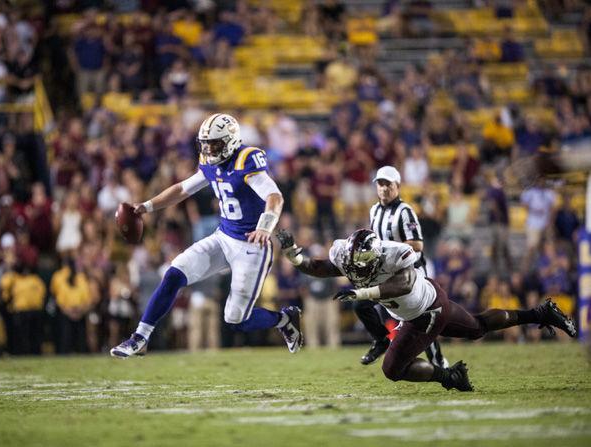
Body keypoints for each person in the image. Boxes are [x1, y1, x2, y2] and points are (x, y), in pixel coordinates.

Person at [277, 228, 577, 391]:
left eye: (361, 266)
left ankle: (449, 377)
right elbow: (318, 267)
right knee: (476, 327)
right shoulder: (348, 256)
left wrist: (362, 293)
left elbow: (404, 284)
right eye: (352, 265)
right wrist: (293, 254)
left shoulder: (393, 253)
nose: (355, 269)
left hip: (425, 312)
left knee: (392, 369)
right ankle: (540, 313)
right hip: (429, 303)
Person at [110, 113, 302, 358]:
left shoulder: (246, 160)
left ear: (231, 141)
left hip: (252, 245)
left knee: (235, 318)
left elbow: (275, 197)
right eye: (206, 143)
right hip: (223, 237)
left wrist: (265, 227)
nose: (210, 149)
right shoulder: (209, 161)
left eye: (215, 143)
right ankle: (140, 337)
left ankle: (284, 319)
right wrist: (146, 206)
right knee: (174, 273)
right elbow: (183, 188)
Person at [354, 166, 447, 368]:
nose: (384, 188)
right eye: (380, 183)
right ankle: (380, 341)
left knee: (419, 319)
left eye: (388, 184)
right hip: (385, 272)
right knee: (360, 304)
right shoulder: (374, 210)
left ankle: (437, 359)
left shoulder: (405, 211)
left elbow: (417, 244)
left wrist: (386, 249)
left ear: (398, 186)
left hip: (409, 273)